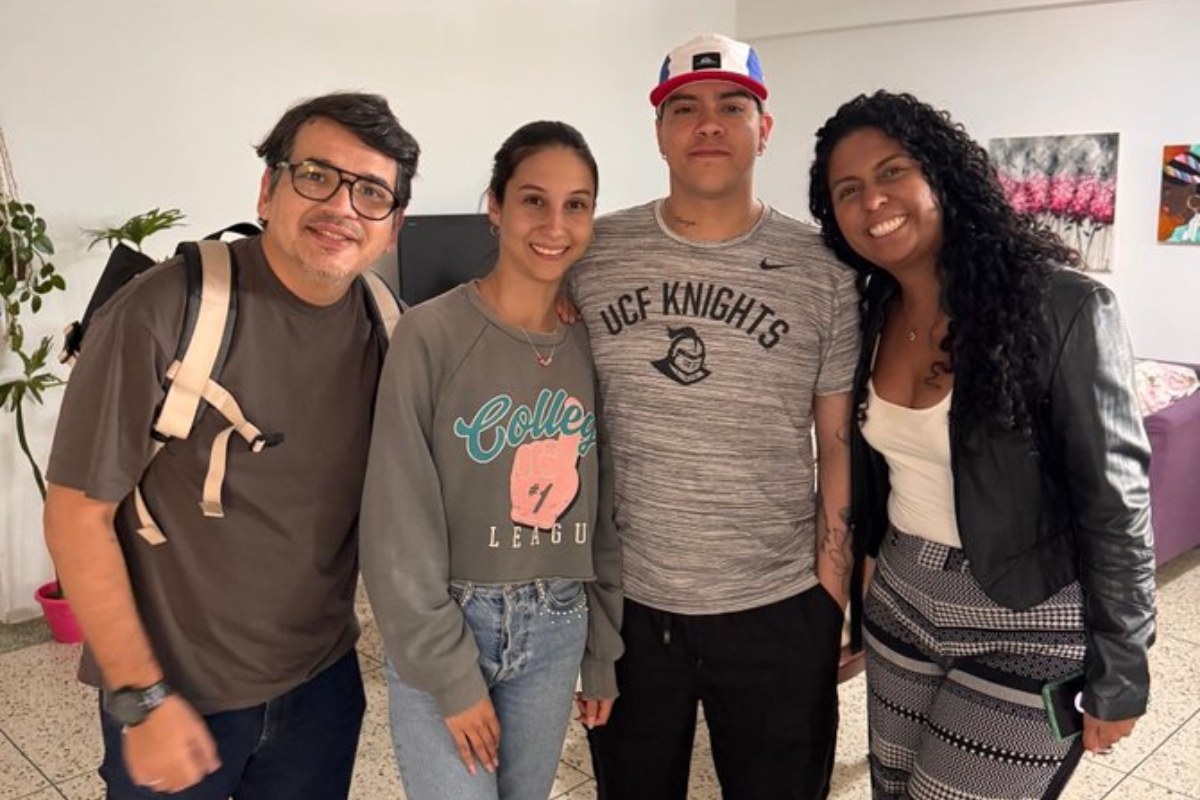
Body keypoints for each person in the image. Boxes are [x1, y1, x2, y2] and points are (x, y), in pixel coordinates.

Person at [43, 91, 419, 798]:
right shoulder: (163, 312)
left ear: (392, 227)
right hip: (176, 695)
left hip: (322, 690)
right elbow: (75, 515)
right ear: (268, 189)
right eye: (317, 175)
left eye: (371, 193)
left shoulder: (388, 326)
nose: (342, 207)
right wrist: (141, 698)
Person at [808, 90, 1156, 800]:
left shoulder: (1059, 307)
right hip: (902, 598)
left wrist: (1123, 668)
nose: (872, 201)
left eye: (892, 171)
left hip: (1026, 616)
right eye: (848, 189)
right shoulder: (868, 314)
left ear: (941, 175)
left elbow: (1116, 501)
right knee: (893, 791)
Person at [568, 33, 860, 800]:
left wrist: (830, 596)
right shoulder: (593, 256)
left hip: (778, 604)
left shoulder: (825, 271)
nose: (708, 124)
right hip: (629, 606)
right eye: (684, 109)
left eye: (732, 106)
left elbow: (837, 441)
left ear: (764, 129)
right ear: (658, 132)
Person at [359, 120, 623, 800]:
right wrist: (450, 677)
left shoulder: (590, 342)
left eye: (576, 204)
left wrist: (601, 654)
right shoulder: (430, 333)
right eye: (534, 200)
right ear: (495, 206)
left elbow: (603, 507)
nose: (555, 225)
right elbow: (396, 522)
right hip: (451, 619)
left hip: (558, 621)